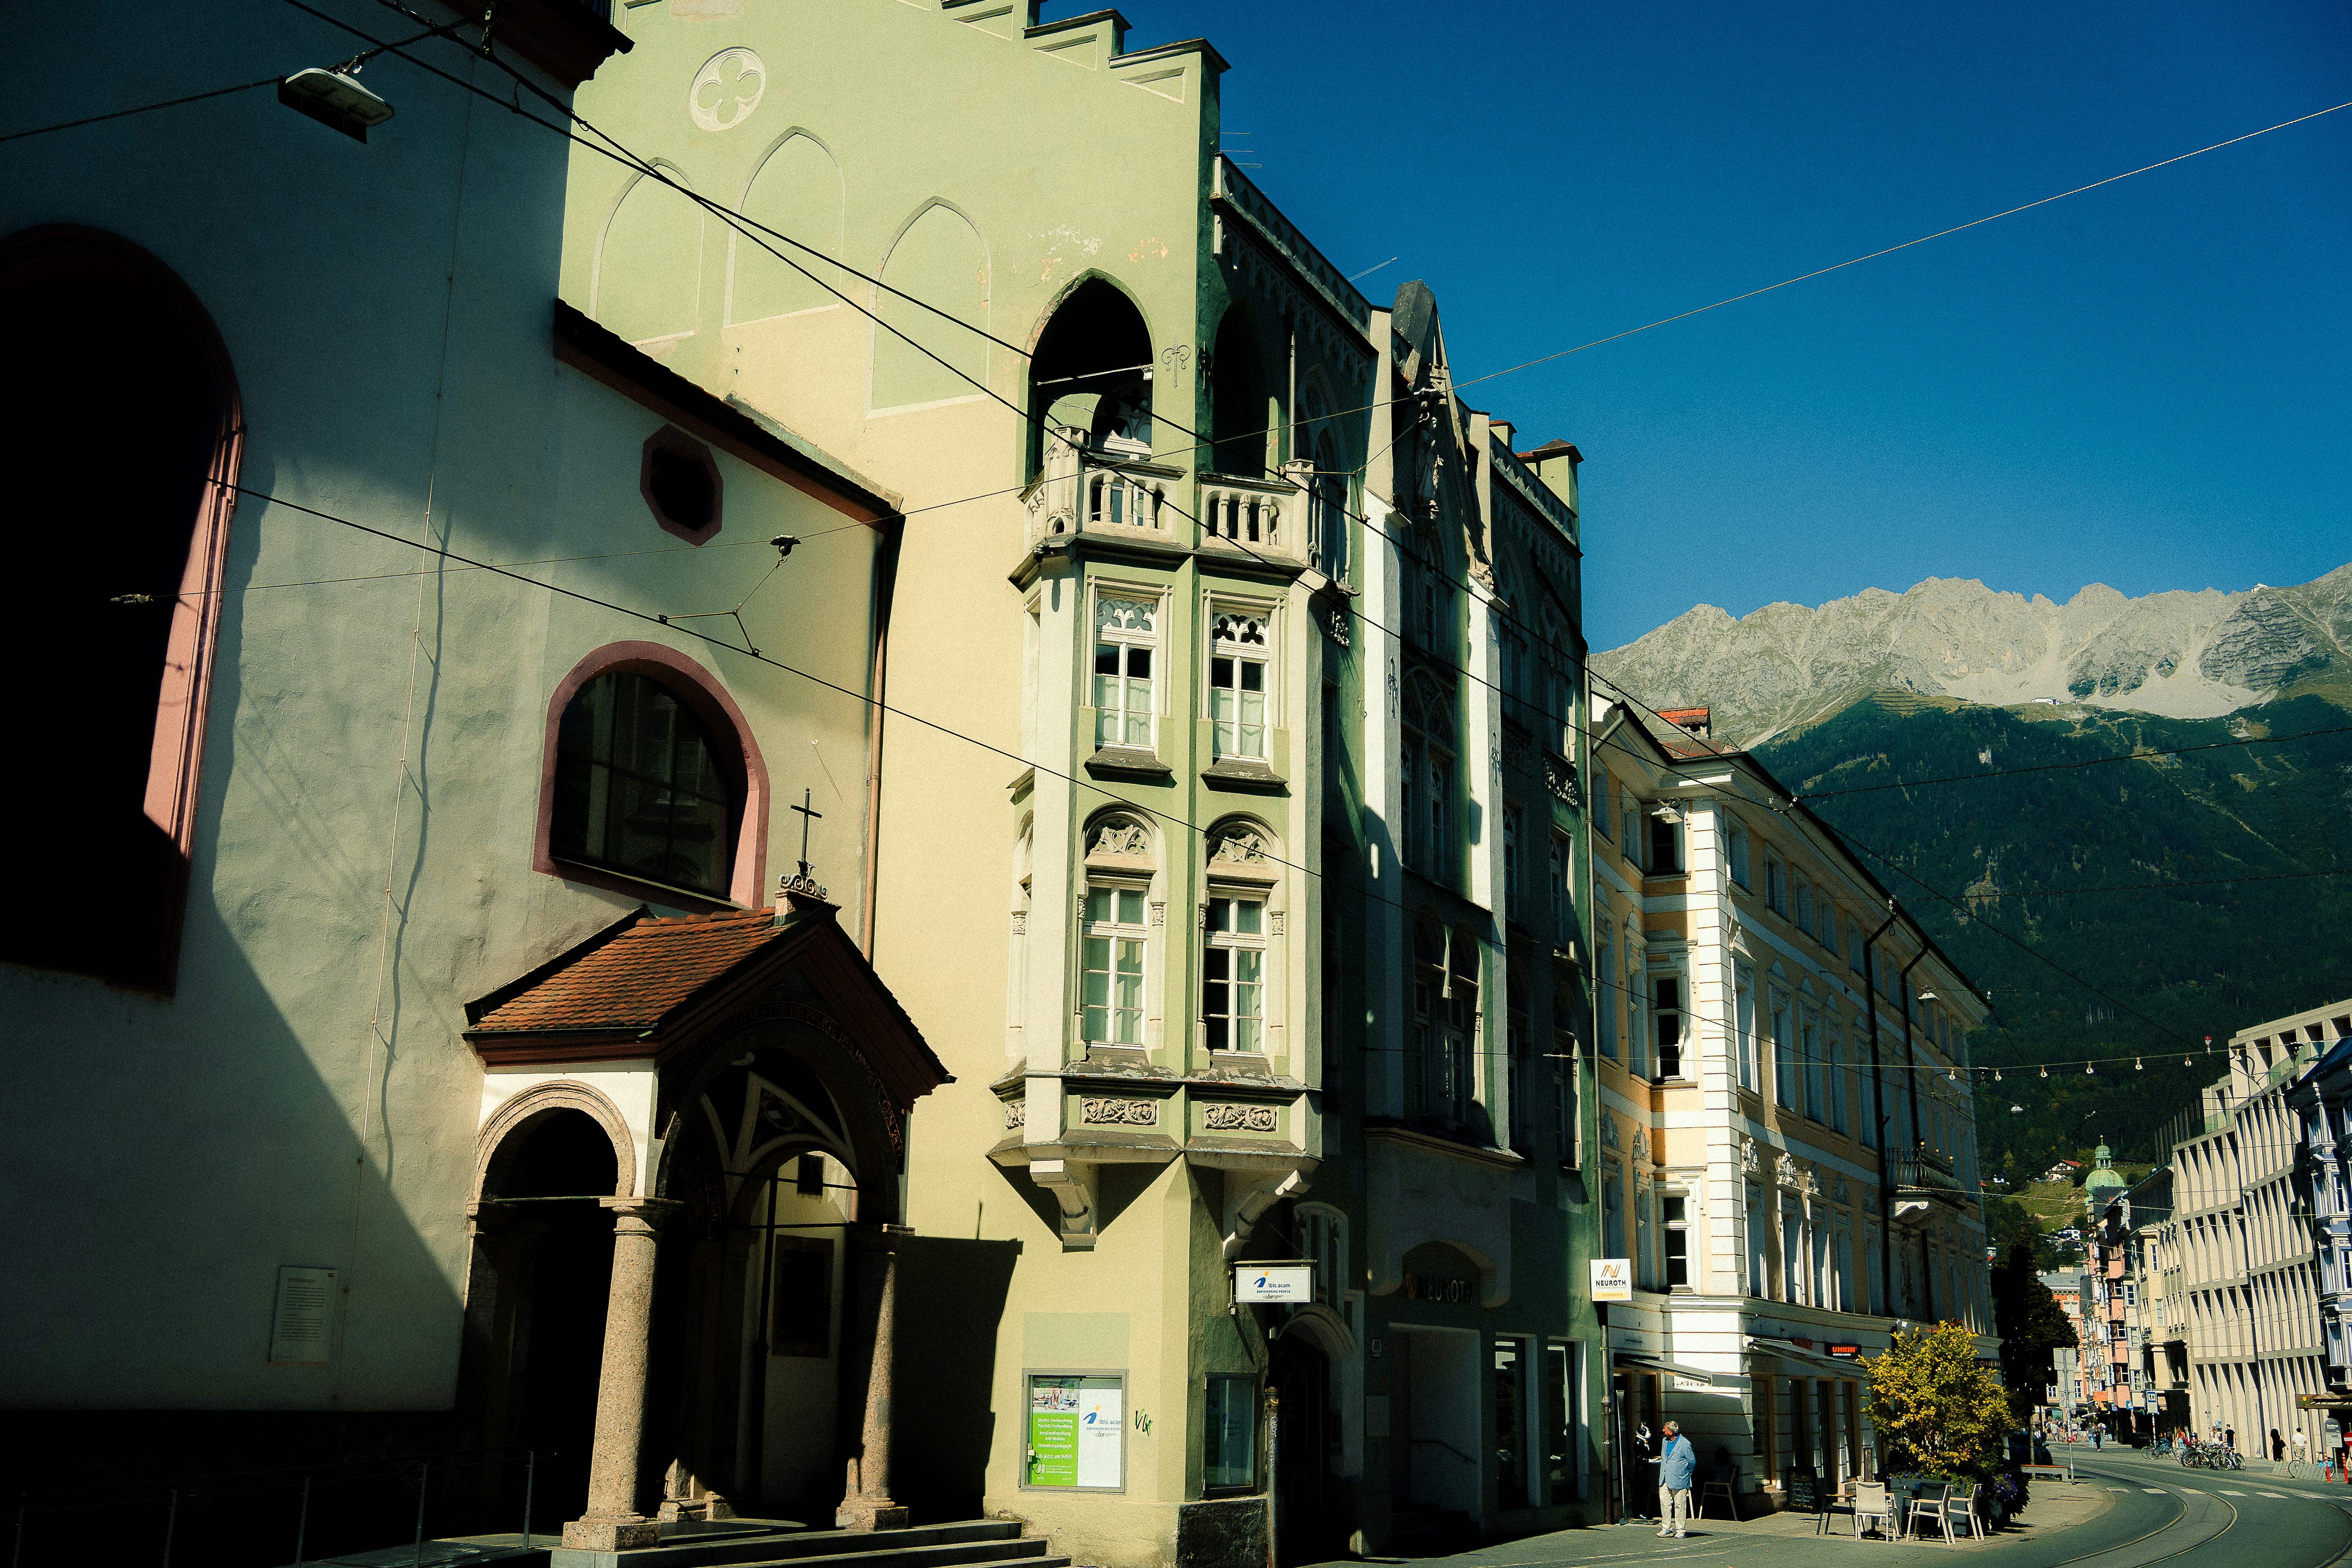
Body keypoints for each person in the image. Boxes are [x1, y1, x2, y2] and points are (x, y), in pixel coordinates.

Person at [1655, 1420, 1697, 1538]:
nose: (1663, 1431)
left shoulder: (1685, 1444)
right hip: (1664, 1479)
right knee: (1665, 1503)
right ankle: (1667, 1529)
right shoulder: (1665, 1441)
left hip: (1680, 1480)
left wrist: (1687, 1474)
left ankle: (1681, 1530)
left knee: (1680, 1505)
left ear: (1671, 1432)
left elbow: (1692, 1461)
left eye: (1665, 1429)